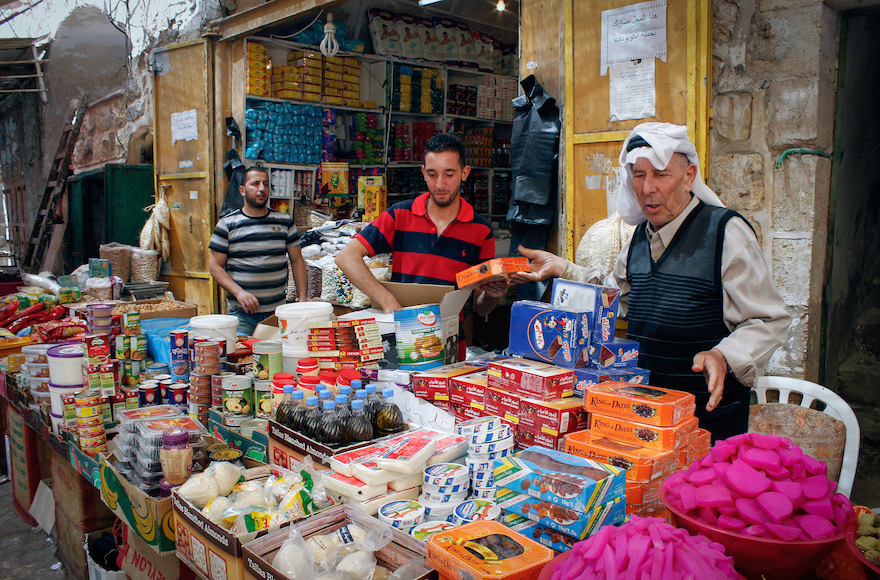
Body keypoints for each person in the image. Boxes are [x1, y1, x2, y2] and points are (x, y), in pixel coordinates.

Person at [511, 122, 791, 441]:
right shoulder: (639, 239)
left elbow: (769, 319)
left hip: (706, 421)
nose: (646, 188)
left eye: (660, 174)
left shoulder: (725, 233)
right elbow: (616, 296)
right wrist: (564, 268)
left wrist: (723, 356)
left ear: (688, 177)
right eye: (639, 175)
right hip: (644, 412)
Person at [336, 133, 508, 356]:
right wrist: (388, 301)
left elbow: (479, 307)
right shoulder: (399, 215)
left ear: (465, 173)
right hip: (403, 339)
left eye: (449, 174)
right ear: (423, 173)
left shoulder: (481, 231)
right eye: (432, 174)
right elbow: (346, 257)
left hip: (450, 344)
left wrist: (491, 295)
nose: (440, 184)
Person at [209, 167, 308, 335]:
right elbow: (215, 267)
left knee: (276, 356)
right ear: (242, 190)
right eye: (255, 184)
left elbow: (297, 260)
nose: (262, 189)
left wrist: (302, 297)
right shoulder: (227, 224)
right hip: (242, 313)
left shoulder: (284, 221)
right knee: (244, 356)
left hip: (277, 311)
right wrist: (239, 293)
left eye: (266, 184)